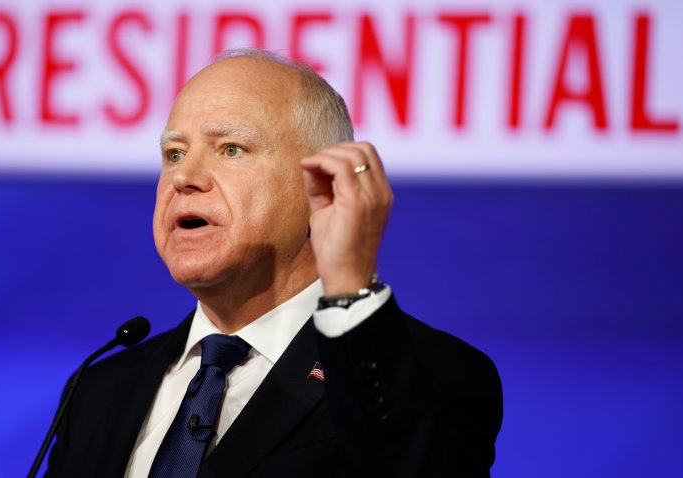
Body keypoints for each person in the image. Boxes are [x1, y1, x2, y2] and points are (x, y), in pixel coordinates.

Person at [45, 49, 502, 477]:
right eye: (174, 154)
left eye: (231, 149)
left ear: (322, 183)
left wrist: (350, 282)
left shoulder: (427, 373)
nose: (184, 178)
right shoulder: (98, 389)